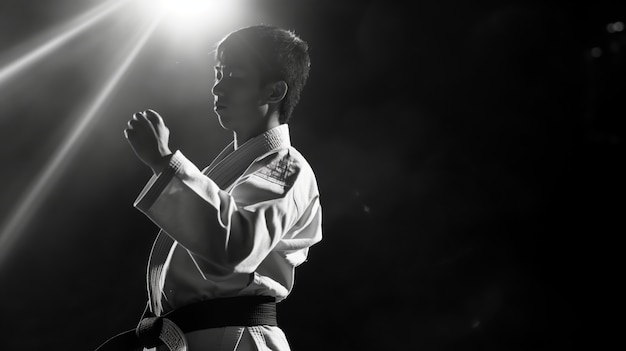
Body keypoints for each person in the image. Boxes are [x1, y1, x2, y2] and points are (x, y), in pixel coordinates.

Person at [96, 25, 322, 351]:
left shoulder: (287, 168)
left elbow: (236, 248)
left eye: (234, 75)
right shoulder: (232, 170)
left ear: (274, 92)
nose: (218, 88)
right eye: (218, 73)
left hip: (237, 339)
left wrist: (165, 162)